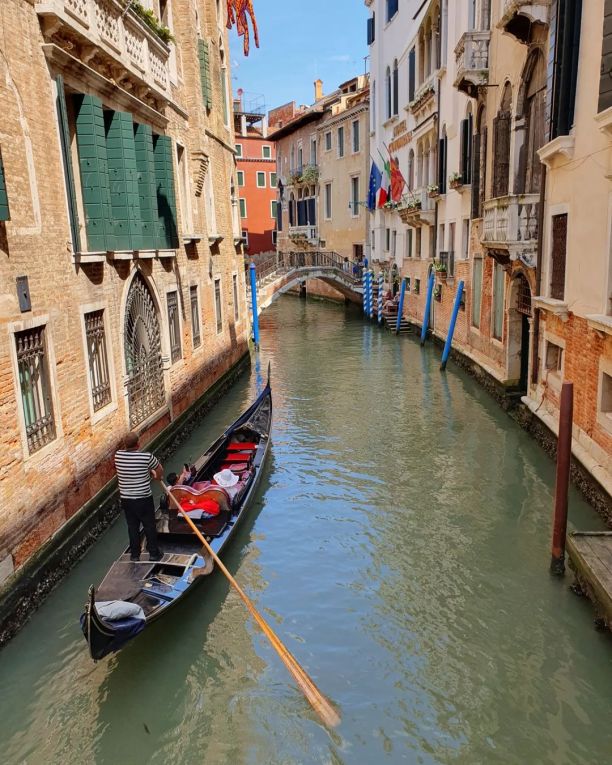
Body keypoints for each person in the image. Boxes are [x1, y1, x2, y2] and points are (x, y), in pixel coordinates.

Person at [115, 432, 164, 562]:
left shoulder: (118, 456)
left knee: (132, 527)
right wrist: (156, 476)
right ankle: (154, 554)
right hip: (143, 499)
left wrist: (146, 471)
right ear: (138, 444)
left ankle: (135, 555)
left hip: (126, 500)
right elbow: (160, 470)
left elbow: (132, 468)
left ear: (125, 445)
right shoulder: (146, 457)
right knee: (149, 526)